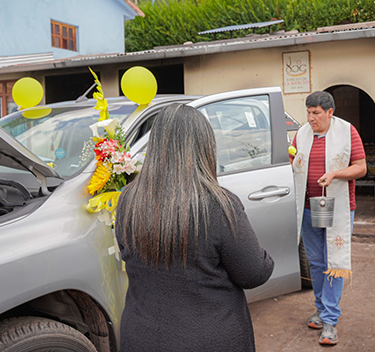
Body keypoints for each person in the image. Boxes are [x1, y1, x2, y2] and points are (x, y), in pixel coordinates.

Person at [115, 103, 274, 352]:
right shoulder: (218, 204)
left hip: (141, 336)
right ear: (205, 147)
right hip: (206, 339)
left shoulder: (128, 199)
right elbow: (254, 272)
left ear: (156, 145)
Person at [290, 91, 367, 346]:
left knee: (333, 262)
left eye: (316, 113)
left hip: (338, 207)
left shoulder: (347, 131)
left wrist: (334, 174)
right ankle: (321, 309)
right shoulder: (302, 133)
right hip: (309, 207)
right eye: (308, 113)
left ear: (330, 112)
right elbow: (293, 160)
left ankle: (331, 320)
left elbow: (361, 167)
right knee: (315, 261)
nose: (311, 118)